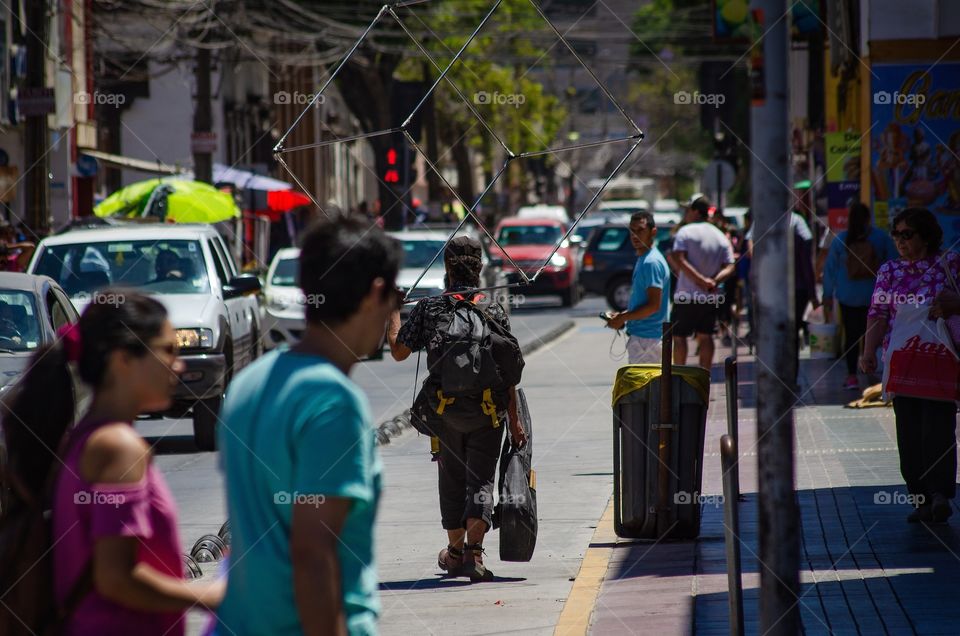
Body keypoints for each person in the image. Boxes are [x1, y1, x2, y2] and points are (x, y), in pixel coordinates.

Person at [215, 217, 400, 635]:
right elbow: (314, 555)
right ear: (376, 294)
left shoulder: (248, 382)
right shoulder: (332, 401)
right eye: (396, 295)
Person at [1, 291, 223, 635]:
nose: (179, 365)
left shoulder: (89, 438)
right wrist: (214, 594)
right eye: (167, 351)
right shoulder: (117, 447)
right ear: (123, 360)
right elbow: (116, 578)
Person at [387, 236, 527, 582]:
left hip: (444, 414)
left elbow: (398, 351)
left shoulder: (430, 308)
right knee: (481, 480)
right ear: (479, 268)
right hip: (487, 413)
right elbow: (508, 370)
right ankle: (475, 556)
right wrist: (515, 420)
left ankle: (453, 553)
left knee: (451, 481)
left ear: (447, 268)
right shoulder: (491, 309)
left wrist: (391, 311)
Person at [861, 208, 960, 524]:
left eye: (908, 234)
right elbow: (878, 314)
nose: (900, 241)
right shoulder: (889, 271)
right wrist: (867, 352)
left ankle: (940, 493)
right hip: (902, 360)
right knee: (909, 432)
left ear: (926, 236)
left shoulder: (950, 264)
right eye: (897, 234)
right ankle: (920, 499)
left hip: (940, 359)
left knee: (939, 429)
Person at [822, 202, 897, 389]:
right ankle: (874, 372)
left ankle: (851, 376)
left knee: (851, 335)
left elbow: (830, 269)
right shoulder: (880, 238)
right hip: (875, 295)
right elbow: (894, 263)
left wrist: (827, 294)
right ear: (868, 218)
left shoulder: (841, 239)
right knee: (875, 333)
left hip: (848, 296)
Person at [666, 195, 735, 369]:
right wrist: (713, 281)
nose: (685, 214)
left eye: (687, 210)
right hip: (710, 297)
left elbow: (679, 259)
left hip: (686, 296)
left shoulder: (685, 232)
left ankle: (679, 375)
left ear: (696, 212)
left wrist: (700, 280)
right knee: (706, 336)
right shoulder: (719, 235)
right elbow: (730, 266)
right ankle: (705, 377)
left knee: (679, 336)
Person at [605, 211, 671, 363]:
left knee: (647, 387)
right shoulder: (645, 258)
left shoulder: (651, 262)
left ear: (653, 232)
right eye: (632, 231)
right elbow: (643, 303)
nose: (635, 236)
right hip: (645, 339)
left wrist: (623, 317)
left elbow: (654, 306)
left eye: (640, 230)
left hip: (648, 341)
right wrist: (621, 316)